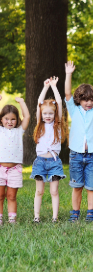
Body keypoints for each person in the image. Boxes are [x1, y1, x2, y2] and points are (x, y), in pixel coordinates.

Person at [65, 60, 93, 222]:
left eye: (91, 100)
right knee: (77, 187)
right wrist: (68, 74)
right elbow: (68, 94)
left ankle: (91, 213)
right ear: (79, 100)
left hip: (92, 156)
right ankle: (75, 213)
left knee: (91, 187)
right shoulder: (74, 111)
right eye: (85, 100)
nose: (89, 103)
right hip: (76, 155)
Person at [30, 77, 67, 223]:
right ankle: (36, 216)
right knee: (39, 191)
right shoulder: (40, 124)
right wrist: (45, 87)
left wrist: (54, 86)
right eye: (45, 114)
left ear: (55, 114)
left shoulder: (57, 124)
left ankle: (54, 217)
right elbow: (39, 103)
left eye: (50, 114)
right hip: (40, 162)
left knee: (54, 191)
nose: (47, 116)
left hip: (54, 162)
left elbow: (58, 102)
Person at [0, 94, 30, 224]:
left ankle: (12, 221)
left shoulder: (19, 131)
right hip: (1, 168)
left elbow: (27, 116)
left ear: (17, 120)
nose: (10, 122)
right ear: (1, 119)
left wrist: (22, 102)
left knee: (11, 196)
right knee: (0, 196)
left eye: (13, 119)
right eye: (6, 119)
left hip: (15, 170)